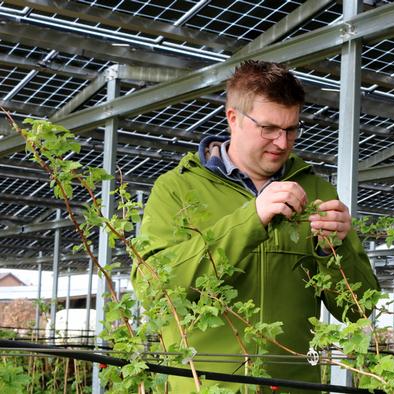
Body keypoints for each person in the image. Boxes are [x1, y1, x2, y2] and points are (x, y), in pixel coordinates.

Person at [133, 60, 380, 392]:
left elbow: (358, 308)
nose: (282, 142)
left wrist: (335, 248)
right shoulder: (177, 189)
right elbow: (154, 290)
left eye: (291, 129)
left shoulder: (317, 191)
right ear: (233, 118)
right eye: (269, 128)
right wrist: (250, 219)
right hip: (204, 387)